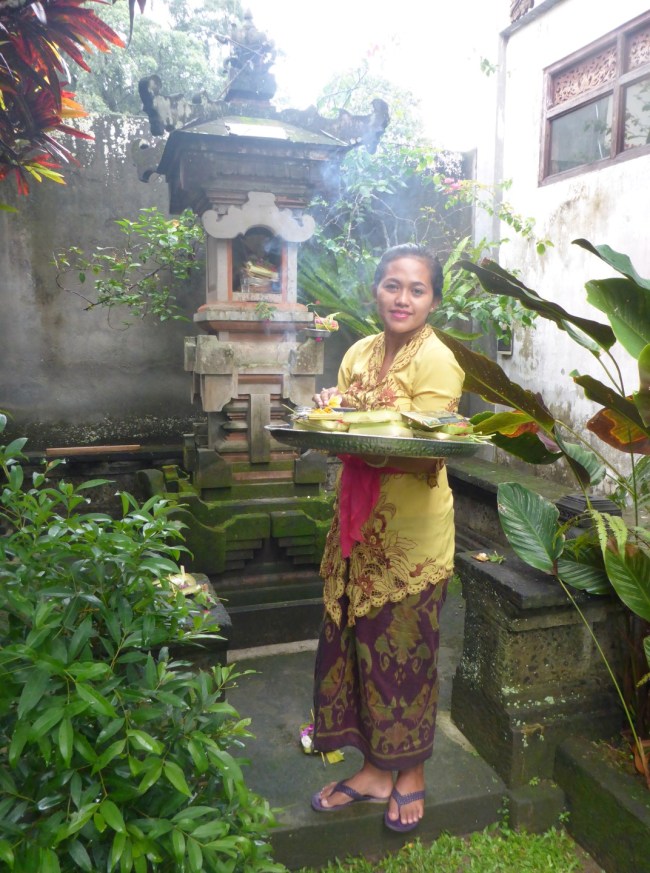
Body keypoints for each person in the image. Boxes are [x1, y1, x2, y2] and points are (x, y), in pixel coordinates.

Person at [309, 243, 465, 833]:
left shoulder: (439, 361)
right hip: (356, 526)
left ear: (434, 300)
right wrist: (330, 408)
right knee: (359, 646)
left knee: (406, 652)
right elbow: (343, 420)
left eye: (416, 289)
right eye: (392, 285)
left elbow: (427, 452)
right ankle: (376, 771)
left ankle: (412, 771)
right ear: (375, 290)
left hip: (410, 536)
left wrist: (354, 430)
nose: (403, 298)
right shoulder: (358, 352)